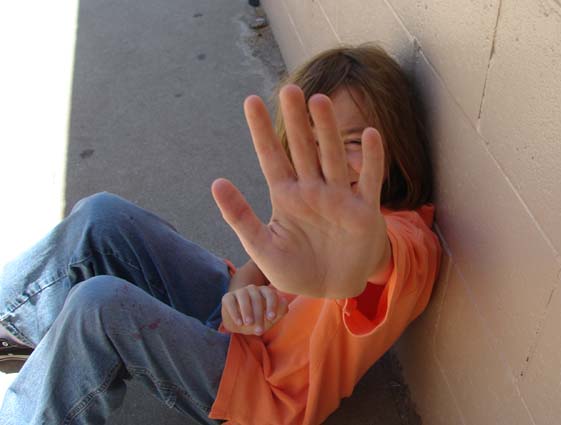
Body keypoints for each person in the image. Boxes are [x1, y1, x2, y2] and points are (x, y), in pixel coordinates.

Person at [0, 44, 442, 425]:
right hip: (236, 329)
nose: (331, 163)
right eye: (311, 143)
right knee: (103, 216)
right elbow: (260, 270)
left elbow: (379, 261)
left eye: (352, 143)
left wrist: (362, 262)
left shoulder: (409, 242)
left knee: (100, 306)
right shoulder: (319, 208)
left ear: (396, 143)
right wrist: (240, 295)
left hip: (260, 393)